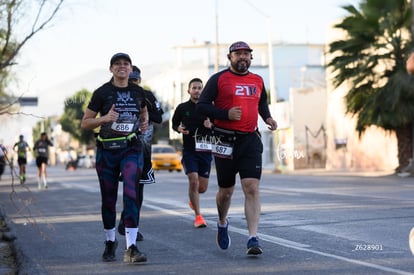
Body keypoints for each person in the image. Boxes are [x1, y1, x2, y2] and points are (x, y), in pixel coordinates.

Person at [197, 41, 278, 255]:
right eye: (238, 54)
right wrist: (225, 114)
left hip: (250, 139)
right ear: (230, 57)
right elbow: (202, 105)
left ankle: (253, 238)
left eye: (246, 54)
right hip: (224, 140)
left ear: (251, 58)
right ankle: (222, 222)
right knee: (226, 191)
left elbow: (261, 103)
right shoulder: (218, 79)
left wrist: (267, 117)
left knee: (251, 187)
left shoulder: (258, 80)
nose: (242, 57)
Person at [80, 53, 149, 264]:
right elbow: (85, 122)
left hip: (131, 148)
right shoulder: (102, 92)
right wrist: (105, 118)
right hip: (108, 150)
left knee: (131, 193)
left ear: (130, 69)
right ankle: (110, 242)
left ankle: (131, 247)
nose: (122, 67)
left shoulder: (138, 91)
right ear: (111, 69)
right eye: (117, 64)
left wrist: (143, 123)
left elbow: (144, 110)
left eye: (125, 64)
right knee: (109, 199)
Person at [118, 65, 164, 241]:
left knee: (139, 190)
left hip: (143, 151)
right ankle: (128, 224)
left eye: (135, 80)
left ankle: (129, 223)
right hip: (124, 149)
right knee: (129, 189)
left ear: (140, 80)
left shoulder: (148, 96)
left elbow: (159, 117)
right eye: (130, 80)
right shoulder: (118, 96)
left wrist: (143, 108)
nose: (132, 83)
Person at [172, 78, 213, 228]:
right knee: (193, 181)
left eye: (199, 88)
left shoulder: (209, 108)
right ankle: (198, 216)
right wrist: (179, 129)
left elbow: (219, 125)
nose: (197, 90)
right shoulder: (182, 108)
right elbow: (174, 124)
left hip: (205, 151)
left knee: (202, 188)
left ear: (203, 90)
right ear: (189, 90)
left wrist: (211, 125)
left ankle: (193, 199)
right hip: (190, 151)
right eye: (194, 88)